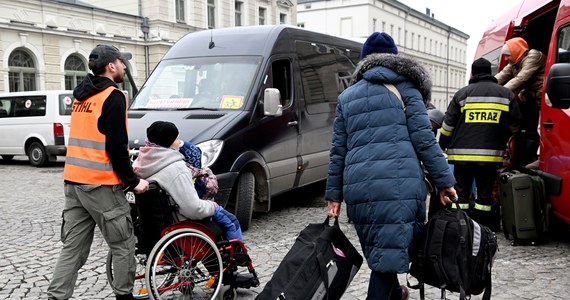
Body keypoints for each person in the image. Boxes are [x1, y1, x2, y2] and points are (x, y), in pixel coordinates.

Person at [325, 32, 458, 300]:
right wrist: (444, 182)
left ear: (364, 61)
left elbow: (338, 150)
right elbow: (424, 140)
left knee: (383, 253)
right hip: (400, 185)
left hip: (359, 188)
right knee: (385, 264)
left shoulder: (347, 97)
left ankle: (396, 294)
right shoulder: (408, 90)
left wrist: (334, 195)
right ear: (394, 60)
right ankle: (389, 293)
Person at [48, 45, 150, 300]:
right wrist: (133, 181)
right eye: (122, 62)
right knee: (124, 244)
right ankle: (124, 296)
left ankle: (56, 297)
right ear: (111, 66)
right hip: (101, 185)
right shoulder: (113, 96)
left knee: (73, 248)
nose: (125, 67)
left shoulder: (81, 95)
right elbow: (116, 146)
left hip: (74, 182)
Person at [440, 57, 522, 231]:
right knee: (484, 195)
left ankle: (460, 226)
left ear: (473, 73)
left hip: (461, 155)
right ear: (491, 73)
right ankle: (484, 227)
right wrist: (502, 135)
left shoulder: (462, 94)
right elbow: (515, 124)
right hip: (490, 156)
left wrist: (443, 142)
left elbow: (448, 125)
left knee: (460, 193)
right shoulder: (505, 94)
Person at [132, 121, 242, 241]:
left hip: (153, 226)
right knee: (231, 221)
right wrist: (213, 206)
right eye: (177, 138)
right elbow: (193, 209)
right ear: (168, 142)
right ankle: (240, 258)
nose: (180, 142)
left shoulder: (140, 164)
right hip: (180, 224)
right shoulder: (176, 169)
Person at [495, 37, 546, 167]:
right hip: (535, 101)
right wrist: (485, 86)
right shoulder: (514, 64)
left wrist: (497, 94)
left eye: (507, 55)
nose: (506, 59)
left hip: (546, 101)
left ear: (516, 51)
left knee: (542, 128)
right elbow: (499, 77)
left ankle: (541, 157)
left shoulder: (533, 56)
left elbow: (520, 79)